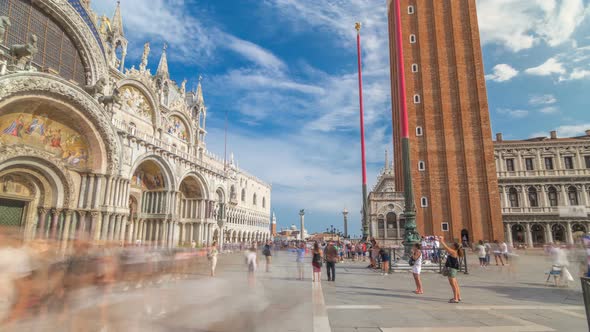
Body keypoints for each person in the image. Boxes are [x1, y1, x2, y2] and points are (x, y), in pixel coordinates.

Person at [439, 236, 462, 303]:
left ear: (454, 247)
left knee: (453, 285)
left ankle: (455, 299)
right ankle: (458, 296)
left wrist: (442, 241)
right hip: (453, 269)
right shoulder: (455, 251)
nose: (451, 246)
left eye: (452, 245)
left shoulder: (453, 252)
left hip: (451, 269)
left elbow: (446, 248)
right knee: (455, 284)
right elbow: (447, 247)